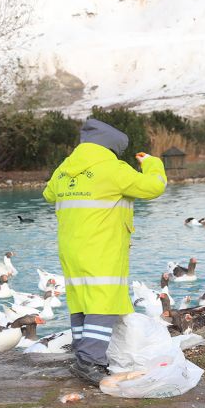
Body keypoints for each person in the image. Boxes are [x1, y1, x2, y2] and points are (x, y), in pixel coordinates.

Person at [43, 118, 167, 385]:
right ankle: (90, 362)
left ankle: (81, 355)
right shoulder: (113, 169)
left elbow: (49, 194)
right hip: (101, 248)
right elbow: (154, 186)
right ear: (111, 148)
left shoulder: (64, 168)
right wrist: (152, 163)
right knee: (103, 303)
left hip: (70, 248)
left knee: (81, 301)